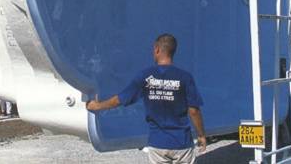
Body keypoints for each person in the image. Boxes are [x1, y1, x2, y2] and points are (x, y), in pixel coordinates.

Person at [86, 34, 207, 164]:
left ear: (157, 49)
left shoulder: (145, 76)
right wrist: (201, 135)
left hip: (158, 143)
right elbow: (193, 111)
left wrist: (97, 106)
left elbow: (120, 99)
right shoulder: (185, 77)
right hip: (182, 143)